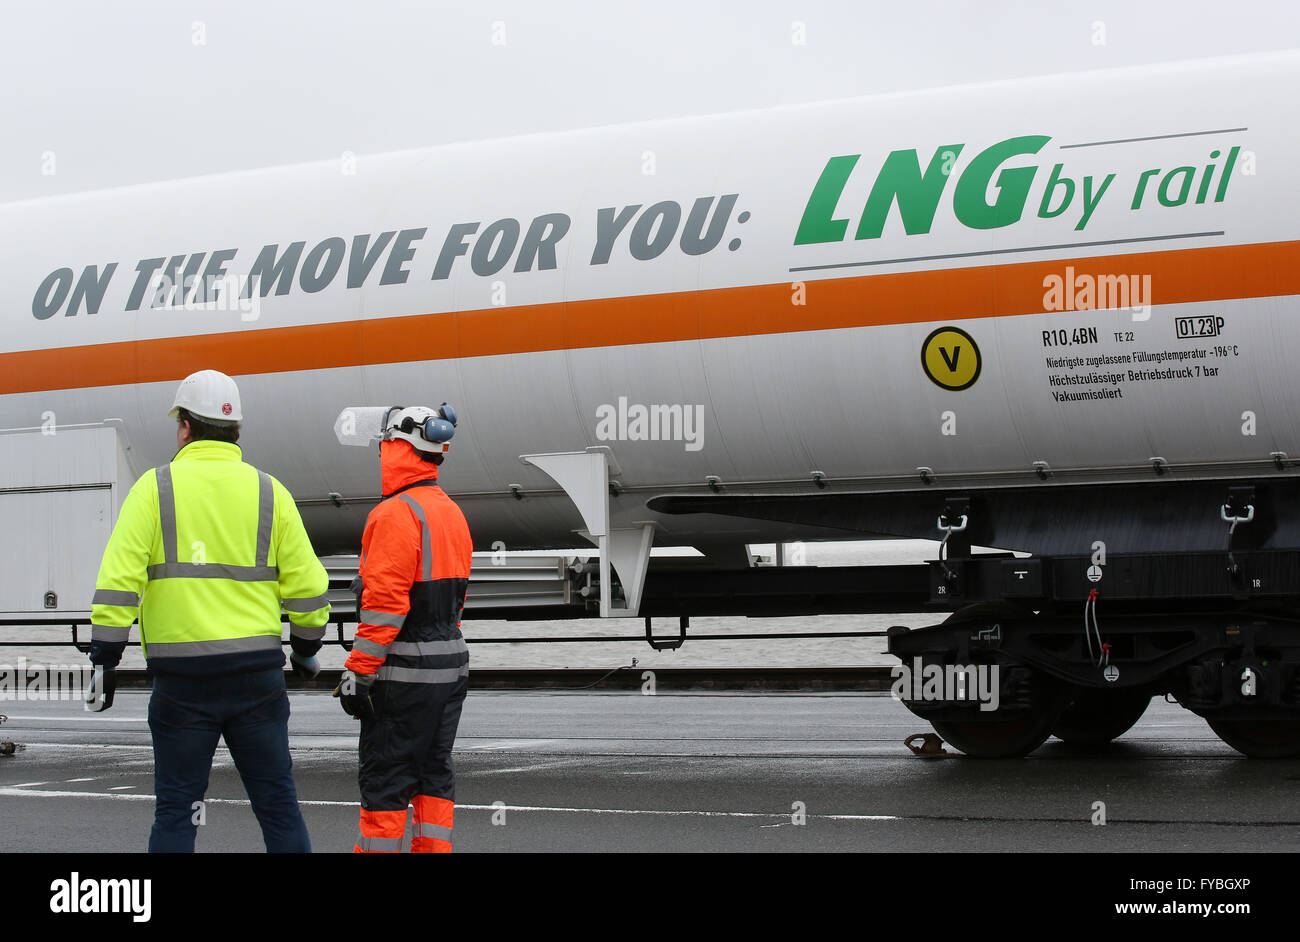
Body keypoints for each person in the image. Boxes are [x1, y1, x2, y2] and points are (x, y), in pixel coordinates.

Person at [86, 369, 330, 853]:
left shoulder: (153, 490)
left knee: (177, 809)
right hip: (257, 680)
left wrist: (104, 661)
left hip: (183, 683)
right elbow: (308, 591)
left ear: (184, 428)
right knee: (278, 804)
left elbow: (118, 583)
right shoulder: (270, 492)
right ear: (236, 429)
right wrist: (305, 653)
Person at [334, 404, 471, 853]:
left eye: (384, 444)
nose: (380, 453)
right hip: (449, 667)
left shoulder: (394, 513)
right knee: (434, 774)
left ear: (398, 448)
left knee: (386, 781)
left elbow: (385, 607)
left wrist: (359, 670)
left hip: (403, 674)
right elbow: (457, 600)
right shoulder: (450, 511)